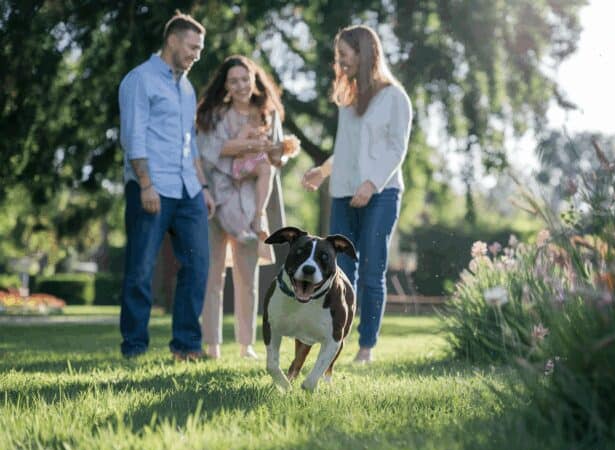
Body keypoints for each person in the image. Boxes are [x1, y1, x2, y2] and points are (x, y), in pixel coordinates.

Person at [301, 25, 412, 363]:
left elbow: (397, 149)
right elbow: (345, 153)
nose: (340, 61)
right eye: (339, 56)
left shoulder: (395, 97)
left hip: (381, 193)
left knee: (372, 269)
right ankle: (336, 341)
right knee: (339, 270)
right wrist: (323, 171)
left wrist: (372, 183)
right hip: (343, 194)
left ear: (365, 53)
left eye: (345, 55)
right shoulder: (347, 99)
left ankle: (366, 347)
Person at [118, 11, 215, 361]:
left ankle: (186, 345)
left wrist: (202, 188)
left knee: (198, 264)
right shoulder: (140, 80)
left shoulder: (186, 87)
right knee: (141, 269)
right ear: (172, 40)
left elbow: (189, 143)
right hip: (152, 187)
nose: (196, 55)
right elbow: (133, 136)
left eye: (200, 49)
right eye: (193, 47)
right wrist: (145, 184)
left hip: (187, 189)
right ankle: (135, 348)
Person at [196, 55, 299, 360]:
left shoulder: (268, 113)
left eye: (245, 79)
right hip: (217, 198)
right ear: (225, 86)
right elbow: (213, 150)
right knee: (213, 275)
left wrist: (278, 152)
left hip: (253, 205)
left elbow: (277, 158)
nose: (241, 86)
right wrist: (255, 146)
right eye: (234, 81)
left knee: (248, 278)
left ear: (254, 79)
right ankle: (212, 345)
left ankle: (246, 345)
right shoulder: (214, 115)